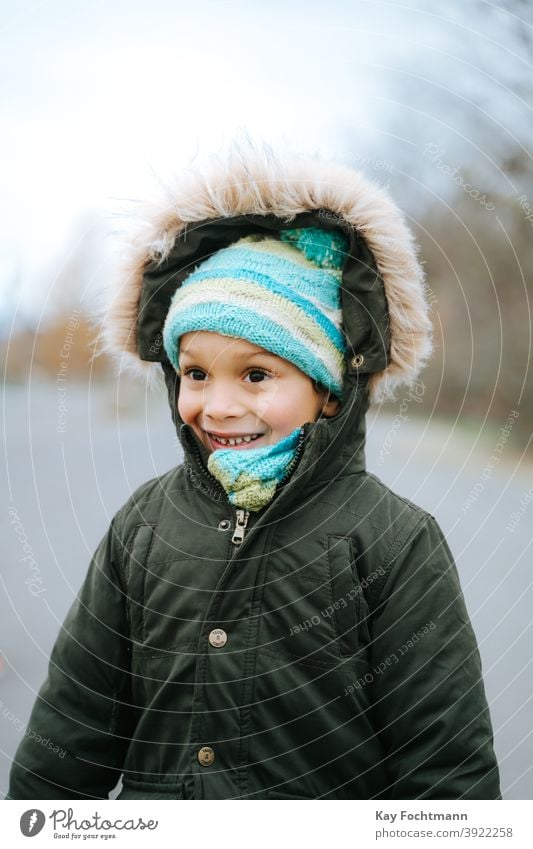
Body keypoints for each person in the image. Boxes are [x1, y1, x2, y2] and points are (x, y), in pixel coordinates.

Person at [7, 141, 501, 800]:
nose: (218, 404)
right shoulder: (143, 528)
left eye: (257, 373)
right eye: (196, 373)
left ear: (328, 387)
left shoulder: (393, 540)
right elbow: (72, 727)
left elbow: (445, 763)